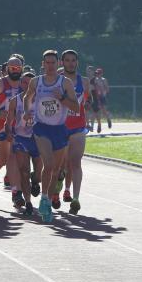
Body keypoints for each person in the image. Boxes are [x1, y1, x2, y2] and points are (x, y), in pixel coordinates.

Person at [23, 50, 80, 223]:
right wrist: (27, 111)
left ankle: (46, 198)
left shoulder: (66, 83)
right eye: (47, 63)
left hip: (60, 129)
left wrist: (62, 98)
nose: (50, 66)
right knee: (48, 164)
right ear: (43, 64)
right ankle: (44, 199)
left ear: (58, 64)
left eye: (53, 63)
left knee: (55, 169)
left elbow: (76, 108)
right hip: (41, 128)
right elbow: (27, 97)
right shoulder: (36, 81)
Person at [0, 56, 24, 205]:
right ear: (7, 69)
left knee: (14, 158)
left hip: (19, 126)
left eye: (17, 68)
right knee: (3, 159)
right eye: (12, 68)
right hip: (1, 124)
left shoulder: (26, 84)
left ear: (22, 68)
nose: (15, 70)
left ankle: (16, 192)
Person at [6, 72, 39, 216]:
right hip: (21, 138)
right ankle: (28, 202)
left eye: (30, 83)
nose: (27, 86)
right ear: (21, 84)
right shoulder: (15, 100)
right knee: (24, 171)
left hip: (39, 139)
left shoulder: (42, 100)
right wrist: (8, 133)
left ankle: (36, 180)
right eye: (24, 83)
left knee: (38, 174)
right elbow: (8, 122)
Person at [61, 50, 88, 214]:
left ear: (77, 62)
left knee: (75, 162)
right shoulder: (58, 80)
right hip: (59, 127)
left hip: (78, 127)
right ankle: (57, 188)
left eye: (73, 60)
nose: (71, 63)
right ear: (62, 62)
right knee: (60, 165)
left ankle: (76, 199)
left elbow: (88, 98)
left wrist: (89, 102)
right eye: (67, 60)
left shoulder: (83, 81)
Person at [91, 68, 111, 132]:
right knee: (96, 112)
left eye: (99, 73)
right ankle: (97, 126)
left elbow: (107, 89)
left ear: (101, 74)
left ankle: (108, 119)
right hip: (96, 97)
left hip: (102, 97)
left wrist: (103, 91)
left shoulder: (104, 80)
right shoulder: (95, 80)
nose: (98, 74)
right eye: (97, 73)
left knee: (104, 111)